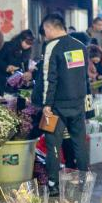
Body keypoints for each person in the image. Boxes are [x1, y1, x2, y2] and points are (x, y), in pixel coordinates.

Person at [40, 14, 89, 191]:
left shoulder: (52, 46)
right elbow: (83, 77)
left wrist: (46, 104)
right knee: (79, 142)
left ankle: (53, 183)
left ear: (50, 28)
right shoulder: (80, 46)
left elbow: (49, 78)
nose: (45, 34)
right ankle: (84, 180)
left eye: (45, 30)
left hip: (57, 106)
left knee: (53, 143)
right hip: (77, 103)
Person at [0, 29, 35, 94]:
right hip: (2, 78)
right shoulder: (8, 45)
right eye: (27, 43)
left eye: (30, 44)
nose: (28, 46)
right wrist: (6, 67)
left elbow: (25, 65)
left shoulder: (27, 51)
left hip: (15, 81)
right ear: (21, 39)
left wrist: (26, 75)